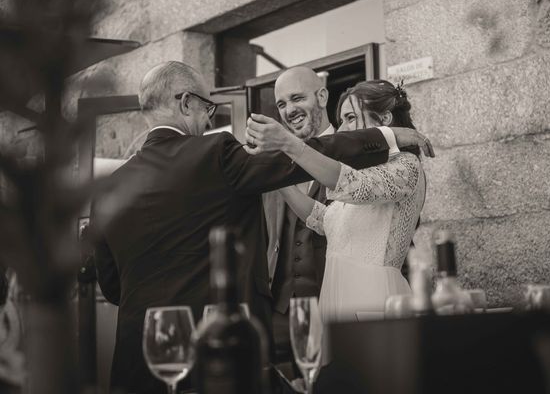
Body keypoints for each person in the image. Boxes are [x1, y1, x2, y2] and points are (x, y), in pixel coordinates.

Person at [90, 62, 431, 394]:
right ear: (186, 102)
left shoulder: (107, 188)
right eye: (207, 106)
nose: (209, 117)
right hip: (219, 353)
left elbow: (112, 287)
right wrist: (383, 137)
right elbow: (303, 157)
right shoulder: (214, 153)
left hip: (140, 356)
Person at [245, 80, 431, 323]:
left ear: (385, 120)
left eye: (350, 117)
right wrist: (276, 178)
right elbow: (323, 219)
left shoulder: (407, 166)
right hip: (336, 292)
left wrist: (288, 144)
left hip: (373, 295)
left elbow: (353, 184)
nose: (342, 129)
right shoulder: (364, 168)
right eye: (341, 119)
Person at [263, 66, 334, 369]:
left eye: (296, 98)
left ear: (322, 95)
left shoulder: (354, 154)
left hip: (332, 308)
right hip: (278, 314)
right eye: (281, 104)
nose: (289, 110)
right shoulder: (272, 164)